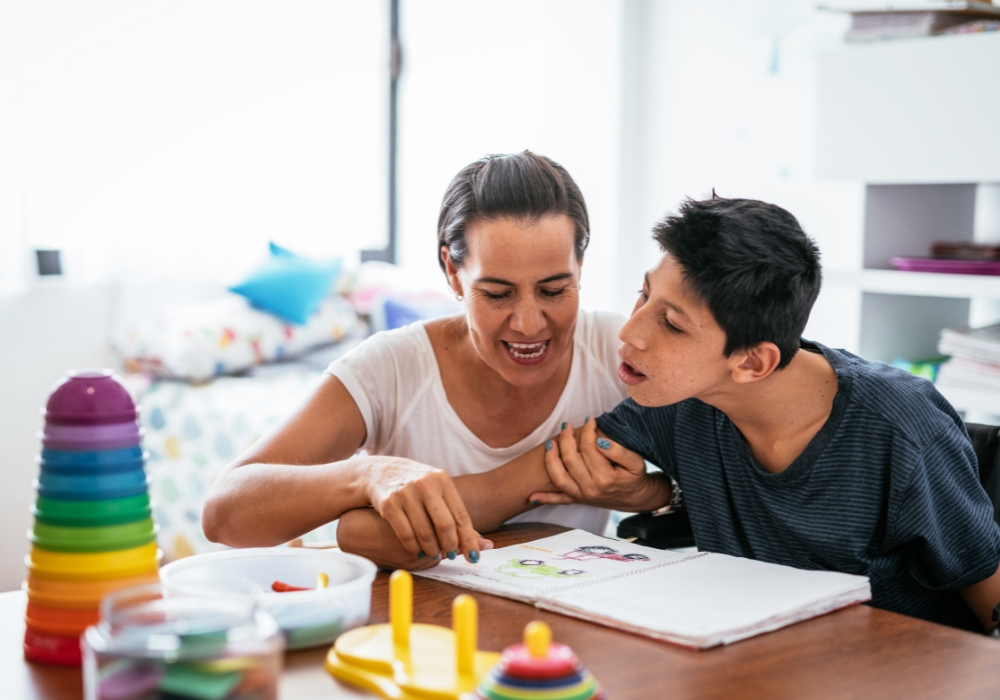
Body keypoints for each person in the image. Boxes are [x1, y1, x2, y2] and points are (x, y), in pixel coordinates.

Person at [527, 195, 1000, 632]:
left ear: (752, 362)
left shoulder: (900, 427)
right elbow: (526, 478)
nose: (630, 329)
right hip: (764, 661)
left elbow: (987, 593)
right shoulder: (685, 399)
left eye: (671, 324)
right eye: (643, 294)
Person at [201, 151, 628, 568]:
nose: (530, 324)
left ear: (580, 266)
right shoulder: (391, 369)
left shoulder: (618, 350)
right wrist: (369, 476)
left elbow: (691, 478)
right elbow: (224, 514)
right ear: (452, 271)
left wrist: (653, 492)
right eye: (497, 294)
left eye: (554, 290)